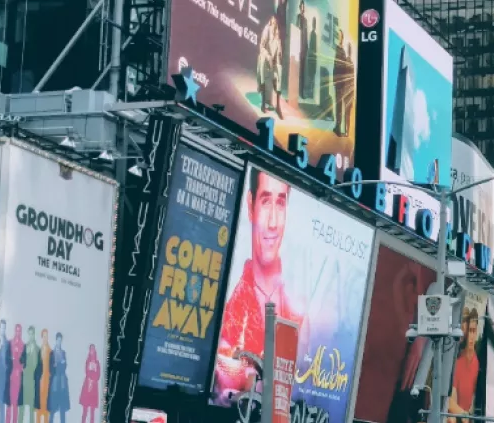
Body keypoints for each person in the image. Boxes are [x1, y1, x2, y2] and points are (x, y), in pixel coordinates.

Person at [211, 170, 301, 405]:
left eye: (280, 204)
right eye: (266, 201)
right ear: (251, 206)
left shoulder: (299, 314)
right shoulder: (228, 304)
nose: (273, 223)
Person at [445, 308, 480, 423]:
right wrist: (464, 415)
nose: (470, 336)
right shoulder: (457, 362)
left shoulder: (477, 363)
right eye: (467, 332)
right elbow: (450, 401)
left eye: (473, 331)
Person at [256, 0, 284, 119]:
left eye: (276, 21)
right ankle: (263, 104)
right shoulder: (266, 30)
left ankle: (278, 106)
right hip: (265, 59)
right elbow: (261, 46)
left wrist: (278, 61)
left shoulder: (277, 34)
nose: (275, 22)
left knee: (278, 76)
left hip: (273, 62)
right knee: (264, 78)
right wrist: (268, 57)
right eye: (273, 20)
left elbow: (278, 52)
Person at [48, 333, 70, 423]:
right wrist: (59, 364)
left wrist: (58, 365)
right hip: (54, 383)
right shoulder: (52, 353)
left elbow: (64, 367)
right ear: (56, 340)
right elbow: (50, 369)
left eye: (60, 340)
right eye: (58, 340)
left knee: (62, 408)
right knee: (53, 408)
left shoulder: (63, 353)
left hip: (62, 384)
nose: (59, 342)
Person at [21, 326, 40, 423]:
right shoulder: (24, 347)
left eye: (32, 334)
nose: (30, 336)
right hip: (25, 380)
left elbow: (39, 366)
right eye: (29, 334)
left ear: (34, 334)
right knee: (22, 405)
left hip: (33, 381)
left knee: (32, 406)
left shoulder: (38, 349)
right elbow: (21, 361)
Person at [7, 324, 26, 423]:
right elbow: (7, 359)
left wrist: (19, 361)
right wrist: (12, 359)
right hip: (10, 375)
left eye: (20, 331)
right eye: (17, 331)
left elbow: (23, 362)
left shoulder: (23, 345)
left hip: (18, 375)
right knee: (9, 401)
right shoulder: (10, 343)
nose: (18, 333)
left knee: (15, 402)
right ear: (15, 331)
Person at [0, 320, 12, 423]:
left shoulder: (7, 342)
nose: (3, 330)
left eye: (4, 328)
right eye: (1, 327)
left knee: (3, 397)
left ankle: (2, 419)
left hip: (4, 373)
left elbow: (8, 357)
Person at [79, 344, 100, 423]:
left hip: (94, 388)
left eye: (93, 349)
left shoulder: (97, 363)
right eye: (91, 349)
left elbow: (98, 376)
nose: (92, 351)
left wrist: (92, 375)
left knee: (92, 411)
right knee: (85, 410)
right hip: (87, 387)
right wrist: (92, 373)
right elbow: (87, 372)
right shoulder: (87, 361)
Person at [35, 330, 51, 423]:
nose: (45, 338)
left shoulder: (50, 351)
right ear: (42, 337)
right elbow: (37, 366)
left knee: (46, 404)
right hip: (40, 380)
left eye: (47, 336)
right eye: (44, 336)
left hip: (47, 379)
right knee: (39, 403)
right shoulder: (39, 351)